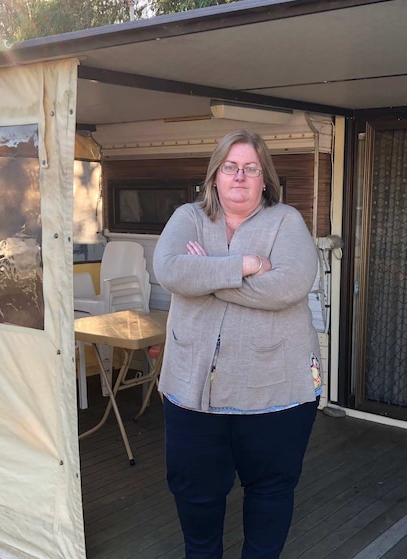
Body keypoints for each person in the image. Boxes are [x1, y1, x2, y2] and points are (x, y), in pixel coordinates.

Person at [153, 129, 322, 559]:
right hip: (192, 392)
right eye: (231, 167)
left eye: (251, 168)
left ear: (265, 179)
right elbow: (170, 269)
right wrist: (244, 267)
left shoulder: (287, 221)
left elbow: (290, 284)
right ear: (215, 177)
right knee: (196, 499)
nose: (240, 176)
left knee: (269, 496)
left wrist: (206, 275)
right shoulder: (188, 217)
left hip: (275, 395)